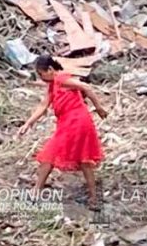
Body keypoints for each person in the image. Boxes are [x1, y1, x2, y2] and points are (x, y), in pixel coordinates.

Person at [18, 55, 107, 210]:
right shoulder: (53, 85)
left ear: (50, 69)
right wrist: (28, 123)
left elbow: (86, 87)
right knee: (83, 159)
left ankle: (35, 193)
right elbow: (43, 106)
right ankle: (94, 199)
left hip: (76, 122)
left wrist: (99, 108)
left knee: (50, 154)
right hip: (71, 122)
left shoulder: (61, 79)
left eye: (41, 74)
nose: (41, 78)